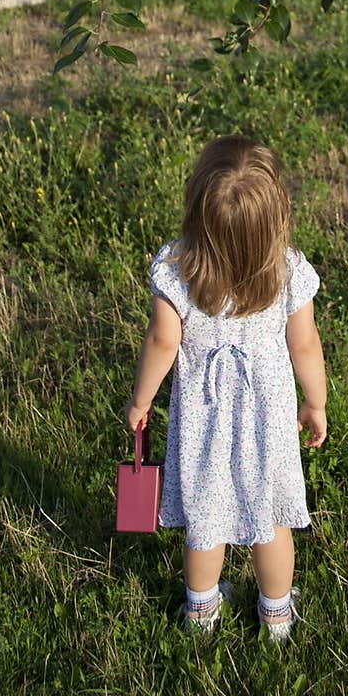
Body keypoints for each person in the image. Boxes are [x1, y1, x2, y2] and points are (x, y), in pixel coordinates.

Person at [124, 135, 327, 642]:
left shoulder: (176, 269)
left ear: (195, 207)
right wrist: (316, 401)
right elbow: (304, 345)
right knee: (271, 519)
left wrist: (141, 401)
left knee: (205, 517)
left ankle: (201, 613)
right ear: (277, 215)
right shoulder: (286, 270)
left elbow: (162, 340)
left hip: (203, 422)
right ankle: (276, 616)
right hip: (269, 422)